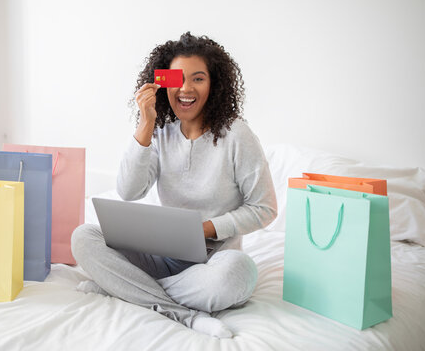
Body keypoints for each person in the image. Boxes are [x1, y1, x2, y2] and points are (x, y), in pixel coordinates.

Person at [71, 32, 277, 338]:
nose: (185, 89)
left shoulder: (236, 135)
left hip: (212, 262)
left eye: (198, 79)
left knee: (239, 274)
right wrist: (145, 123)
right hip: (162, 255)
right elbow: (129, 191)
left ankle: (122, 287)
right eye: (177, 79)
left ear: (214, 84)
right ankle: (184, 314)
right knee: (83, 236)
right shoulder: (159, 132)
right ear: (162, 83)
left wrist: (206, 228)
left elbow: (265, 208)